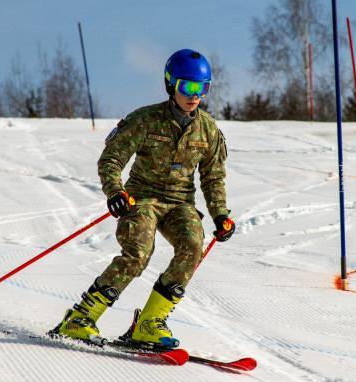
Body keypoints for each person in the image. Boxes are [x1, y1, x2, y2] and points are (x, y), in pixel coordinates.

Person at [52, 49, 235, 350]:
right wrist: (116, 192)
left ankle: (149, 323)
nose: (194, 96)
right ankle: (80, 318)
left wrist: (220, 215)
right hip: (142, 198)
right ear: (170, 84)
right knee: (138, 252)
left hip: (179, 204)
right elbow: (111, 159)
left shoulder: (208, 129)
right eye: (187, 87)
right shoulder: (146, 120)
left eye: (202, 88)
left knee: (192, 246)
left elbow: (213, 176)